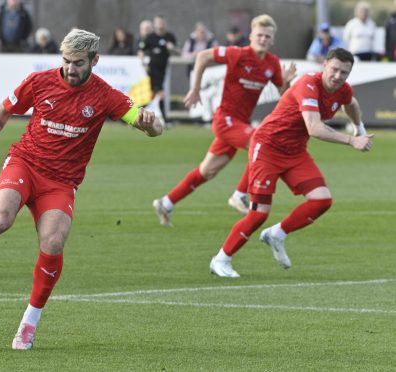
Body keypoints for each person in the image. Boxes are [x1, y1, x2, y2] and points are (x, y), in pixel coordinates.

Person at [0, 29, 163, 351]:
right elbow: (2, 112)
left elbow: (151, 126)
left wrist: (151, 124)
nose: (70, 68)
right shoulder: (40, 81)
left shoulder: (106, 95)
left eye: (78, 62)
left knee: (53, 242)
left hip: (62, 182)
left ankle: (28, 324)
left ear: (95, 60)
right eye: (66, 61)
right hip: (24, 163)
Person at [209, 48, 373, 278]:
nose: (338, 76)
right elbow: (314, 128)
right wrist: (351, 140)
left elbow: (351, 103)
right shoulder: (308, 84)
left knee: (322, 200)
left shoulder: (342, 89)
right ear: (325, 65)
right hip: (267, 147)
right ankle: (221, 260)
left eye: (344, 73)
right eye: (334, 69)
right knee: (259, 213)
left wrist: (360, 127)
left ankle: (277, 234)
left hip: (294, 151)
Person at [152, 14, 297, 226]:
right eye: (260, 35)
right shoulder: (237, 53)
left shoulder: (272, 63)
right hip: (225, 119)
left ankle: (166, 202)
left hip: (240, 123)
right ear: (251, 36)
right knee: (262, 142)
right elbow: (202, 56)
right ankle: (239, 195)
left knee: (207, 171)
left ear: (272, 40)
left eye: (267, 36)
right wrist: (195, 88)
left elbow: (282, 92)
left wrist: (286, 82)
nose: (263, 39)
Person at [138, 15, 178, 125]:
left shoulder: (169, 36)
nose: (160, 25)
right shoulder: (150, 37)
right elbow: (141, 50)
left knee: (152, 95)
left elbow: (178, 51)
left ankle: (137, 115)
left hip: (163, 69)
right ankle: (165, 120)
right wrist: (143, 63)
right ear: (155, 24)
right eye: (158, 22)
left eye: (162, 22)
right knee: (160, 93)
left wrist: (172, 48)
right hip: (152, 69)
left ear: (165, 23)